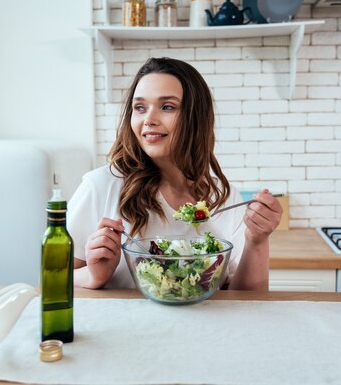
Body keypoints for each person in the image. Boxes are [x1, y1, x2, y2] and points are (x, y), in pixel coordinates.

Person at [69, 57, 282, 291]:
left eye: (167, 107)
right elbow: (55, 277)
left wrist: (257, 241)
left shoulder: (223, 197)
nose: (148, 120)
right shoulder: (101, 186)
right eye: (140, 108)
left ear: (195, 118)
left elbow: (248, 300)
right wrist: (93, 276)